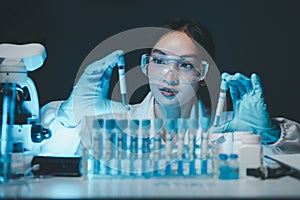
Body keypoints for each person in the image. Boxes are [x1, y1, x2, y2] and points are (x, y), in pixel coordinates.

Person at [39, 18, 300, 155]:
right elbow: (46, 153)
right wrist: (69, 117)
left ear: (202, 73)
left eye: (185, 65)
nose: (169, 76)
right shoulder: (112, 122)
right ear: (145, 65)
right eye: (160, 61)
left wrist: (270, 133)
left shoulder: (231, 129)